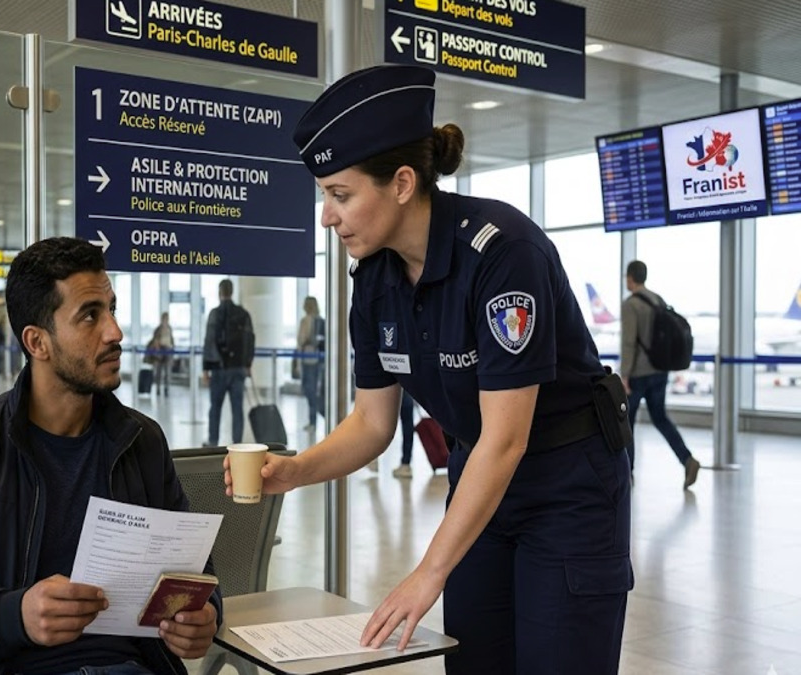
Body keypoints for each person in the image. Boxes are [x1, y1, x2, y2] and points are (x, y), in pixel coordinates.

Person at [228, 65, 633, 674]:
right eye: (324, 197)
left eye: (340, 195)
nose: (326, 216)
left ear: (401, 183)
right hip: (480, 480)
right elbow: (372, 423)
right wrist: (295, 472)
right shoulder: (374, 282)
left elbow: (508, 436)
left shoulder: (502, 255)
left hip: (566, 484)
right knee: (475, 661)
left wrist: (427, 573)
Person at [0, 237, 220, 674]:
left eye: (112, 309)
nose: (115, 332)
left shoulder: (141, 441)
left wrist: (204, 617)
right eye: (90, 315)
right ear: (37, 342)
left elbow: (194, 575)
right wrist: (16, 616)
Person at [620, 260, 702, 489]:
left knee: (627, 423)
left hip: (638, 374)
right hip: (660, 371)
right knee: (661, 418)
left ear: (630, 278)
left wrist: (624, 376)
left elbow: (629, 343)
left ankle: (627, 473)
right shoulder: (658, 300)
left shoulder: (631, 305)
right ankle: (687, 459)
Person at [202, 279, 254, 447]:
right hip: (238, 368)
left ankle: (213, 442)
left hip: (219, 368)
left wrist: (206, 368)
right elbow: (250, 339)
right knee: (237, 409)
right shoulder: (243, 314)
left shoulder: (215, 314)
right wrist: (248, 363)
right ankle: (237, 444)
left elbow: (209, 341)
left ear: (220, 292)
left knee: (215, 407)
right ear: (232, 292)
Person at [296, 296, 325, 431]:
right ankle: (315, 417)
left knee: (311, 390)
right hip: (306, 359)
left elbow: (303, 340)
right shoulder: (306, 321)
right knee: (308, 390)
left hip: (313, 360)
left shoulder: (318, 322)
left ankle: (316, 417)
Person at [145, 312, 175, 396]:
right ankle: (158, 388)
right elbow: (155, 341)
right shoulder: (158, 329)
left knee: (167, 372)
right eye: (164, 318)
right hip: (159, 353)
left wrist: (172, 348)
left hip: (168, 352)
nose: (166, 320)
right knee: (158, 372)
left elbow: (171, 340)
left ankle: (166, 389)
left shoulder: (169, 328)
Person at [393, 391, 415, 478]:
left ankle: (373, 458)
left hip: (395, 389)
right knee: (408, 426)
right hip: (407, 391)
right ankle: (406, 463)